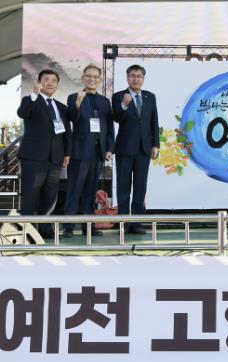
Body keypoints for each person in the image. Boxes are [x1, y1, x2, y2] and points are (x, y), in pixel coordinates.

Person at [17, 69, 71, 238]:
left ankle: (45, 230)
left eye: (54, 81)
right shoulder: (31, 101)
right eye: (46, 80)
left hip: (55, 159)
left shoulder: (62, 107)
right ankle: (28, 232)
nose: (50, 83)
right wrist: (34, 94)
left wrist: (67, 153)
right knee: (31, 195)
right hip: (33, 157)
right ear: (39, 82)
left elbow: (67, 133)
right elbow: (22, 113)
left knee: (50, 196)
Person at [62, 64, 114, 238]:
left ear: (99, 80)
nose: (92, 79)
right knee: (74, 190)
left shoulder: (105, 101)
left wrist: (109, 148)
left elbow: (109, 127)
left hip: (98, 152)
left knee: (91, 191)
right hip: (79, 151)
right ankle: (68, 227)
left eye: (95, 77)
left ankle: (89, 227)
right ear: (83, 78)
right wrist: (77, 104)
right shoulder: (74, 97)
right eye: (89, 76)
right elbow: (71, 119)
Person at [112, 64, 160, 234]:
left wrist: (156, 144)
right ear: (127, 78)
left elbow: (154, 121)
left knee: (140, 187)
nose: (135, 79)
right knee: (123, 187)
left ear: (143, 78)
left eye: (139, 76)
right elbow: (116, 118)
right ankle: (124, 222)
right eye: (132, 75)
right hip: (124, 148)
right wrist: (124, 105)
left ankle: (137, 222)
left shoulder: (150, 97)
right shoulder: (118, 96)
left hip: (144, 149)